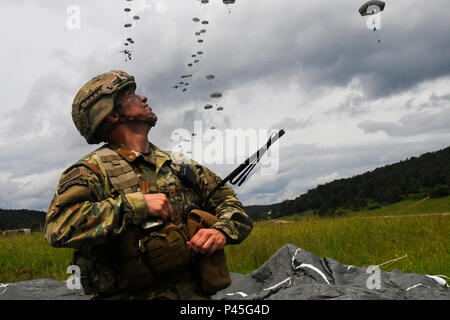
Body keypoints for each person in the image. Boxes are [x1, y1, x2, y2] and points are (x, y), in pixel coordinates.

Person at [44, 70, 253, 300]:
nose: (143, 98)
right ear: (112, 114)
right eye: (131, 96)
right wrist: (135, 206)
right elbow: (57, 226)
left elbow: (232, 205)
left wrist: (220, 231)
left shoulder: (180, 165)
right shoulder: (91, 171)